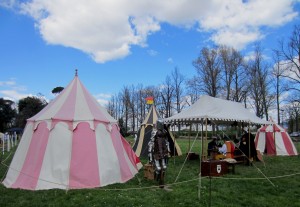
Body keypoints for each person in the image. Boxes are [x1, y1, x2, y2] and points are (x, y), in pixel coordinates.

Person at [148, 118, 170, 184]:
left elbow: (166, 141)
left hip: (163, 150)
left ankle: (162, 180)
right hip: (156, 151)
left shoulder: (165, 131)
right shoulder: (154, 132)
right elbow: (151, 142)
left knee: (164, 167)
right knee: (158, 168)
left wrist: (168, 149)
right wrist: (150, 154)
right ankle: (156, 178)